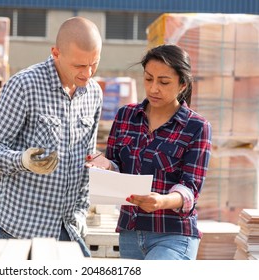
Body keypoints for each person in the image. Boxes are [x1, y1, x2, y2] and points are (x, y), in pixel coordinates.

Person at [0, 16, 103, 257]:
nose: (87, 73)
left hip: (68, 230)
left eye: (93, 64)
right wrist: (23, 160)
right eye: (79, 66)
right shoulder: (25, 86)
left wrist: (81, 212)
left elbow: (88, 159)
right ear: (56, 53)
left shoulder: (93, 93)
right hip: (18, 231)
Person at [85, 44, 212, 260]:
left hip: (173, 235)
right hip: (130, 234)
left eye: (163, 82)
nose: (153, 88)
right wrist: (105, 165)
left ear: (182, 85)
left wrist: (162, 201)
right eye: (148, 79)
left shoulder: (196, 126)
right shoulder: (126, 116)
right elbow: (117, 167)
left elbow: (190, 189)